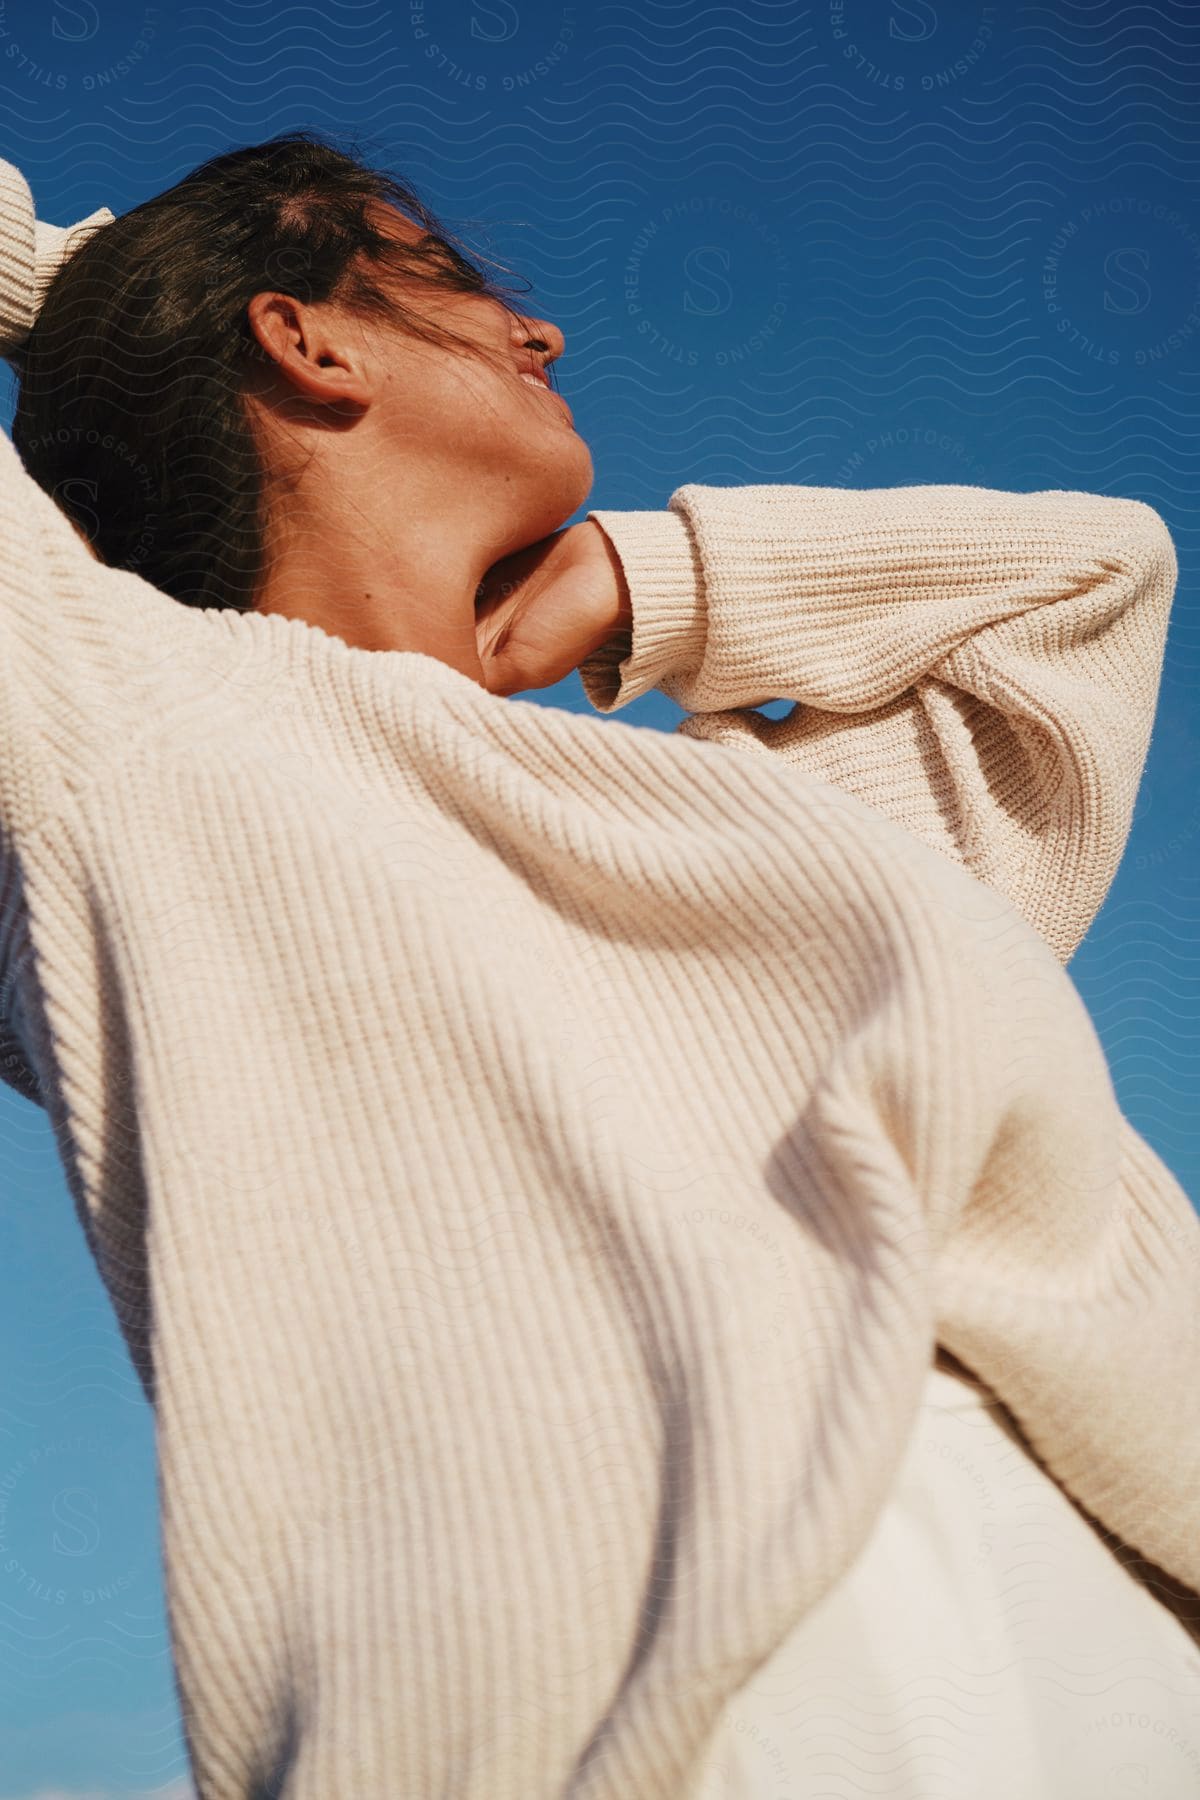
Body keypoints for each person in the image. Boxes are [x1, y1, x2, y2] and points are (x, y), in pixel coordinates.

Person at [0, 131, 1197, 1800]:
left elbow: (1087, 578)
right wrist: (113, 310)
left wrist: (657, 582)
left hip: (1120, 1634)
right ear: (307, 341)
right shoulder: (119, 739)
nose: (539, 333)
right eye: (452, 276)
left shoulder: (742, 820)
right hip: (661, 1701)